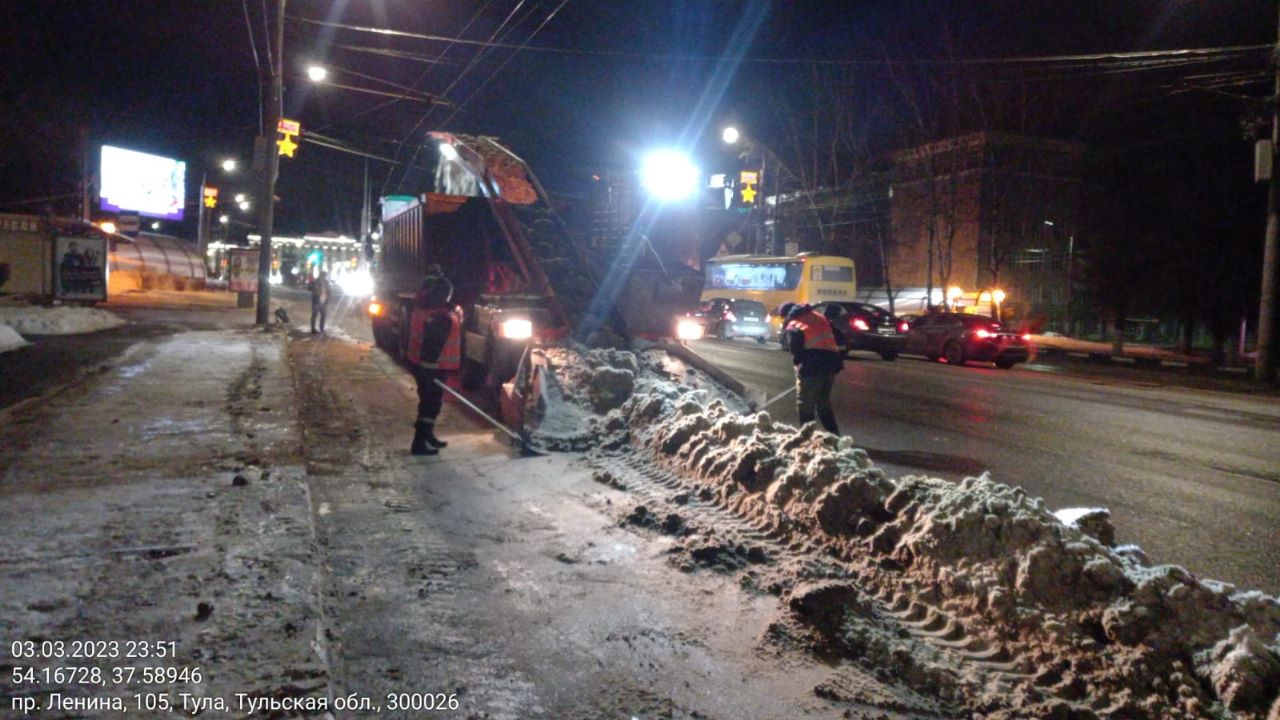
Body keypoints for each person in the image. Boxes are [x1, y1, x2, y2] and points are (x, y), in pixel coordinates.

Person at [407, 264, 463, 456]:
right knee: (430, 404)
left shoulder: (423, 307)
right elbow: (431, 347)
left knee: (428, 401)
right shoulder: (441, 317)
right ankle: (419, 443)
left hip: (420, 363)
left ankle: (428, 435)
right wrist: (429, 370)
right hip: (433, 367)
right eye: (448, 295)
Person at [779, 301, 842, 435]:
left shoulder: (794, 323)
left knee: (805, 404)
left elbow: (795, 348)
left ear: (787, 314)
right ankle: (835, 436)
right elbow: (839, 337)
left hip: (812, 365)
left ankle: (806, 437)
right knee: (823, 402)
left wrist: (798, 363)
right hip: (832, 363)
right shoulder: (818, 316)